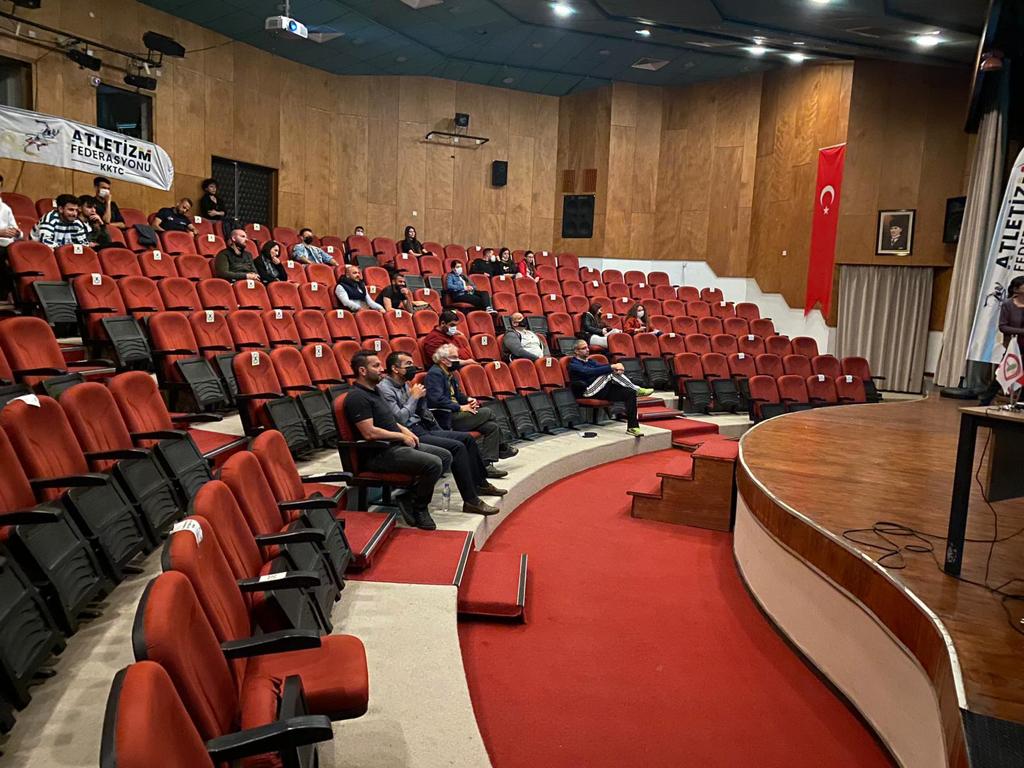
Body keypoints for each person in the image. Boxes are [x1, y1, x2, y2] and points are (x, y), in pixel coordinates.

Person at [378, 352, 506, 515]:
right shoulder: (385, 389)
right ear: (395, 368)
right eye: (408, 364)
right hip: (411, 433)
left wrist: (420, 399)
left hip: (424, 426)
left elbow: (419, 411)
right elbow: (400, 419)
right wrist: (414, 398)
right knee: (457, 447)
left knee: (467, 439)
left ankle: (481, 483)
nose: (413, 367)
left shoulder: (405, 383)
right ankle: (471, 501)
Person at [343, 351, 448, 530]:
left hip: (394, 445)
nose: (381, 369)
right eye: (376, 366)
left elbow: (390, 420)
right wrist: (401, 436)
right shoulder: (357, 397)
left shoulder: (375, 390)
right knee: (434, 463)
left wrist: (405, 430)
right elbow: (369, 433)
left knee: (445, 456)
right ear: (362, 370)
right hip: (378, 453)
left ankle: (409, 497)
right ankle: (420, 508)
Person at [426, 343, 517, 463]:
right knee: (488, 412)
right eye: (454, 357)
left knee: (492, 427)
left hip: (457, 413)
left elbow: (458, 395)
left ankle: (486, 463)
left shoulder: (449, 373)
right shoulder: (435, 374)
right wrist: (460, 407)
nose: (458, 360)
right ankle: (503, 447)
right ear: (443, 360)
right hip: (447, 416)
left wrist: (468, 400)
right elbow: (436, 399)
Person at [568, 340, 653, 437]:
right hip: (587, 391)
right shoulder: (574, 365)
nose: (587, 350)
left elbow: (603, 366)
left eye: (587, 347)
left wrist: (618, 366)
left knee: (629, 393)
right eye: (583, 348)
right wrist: (612, 367)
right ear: (576, 351)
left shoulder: (590, 362)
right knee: (609, 372)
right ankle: (637, 389)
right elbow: (589, 372)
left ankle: (632, 427)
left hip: (600, 390)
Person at [979, 275, 1024, 405]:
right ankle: (984, 401)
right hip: (1013, 345)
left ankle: (1020, 403)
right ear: (1016, 289)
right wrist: (1021, 332)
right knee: (1004, 372)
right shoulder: (1008, 305)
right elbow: (1003, 326)